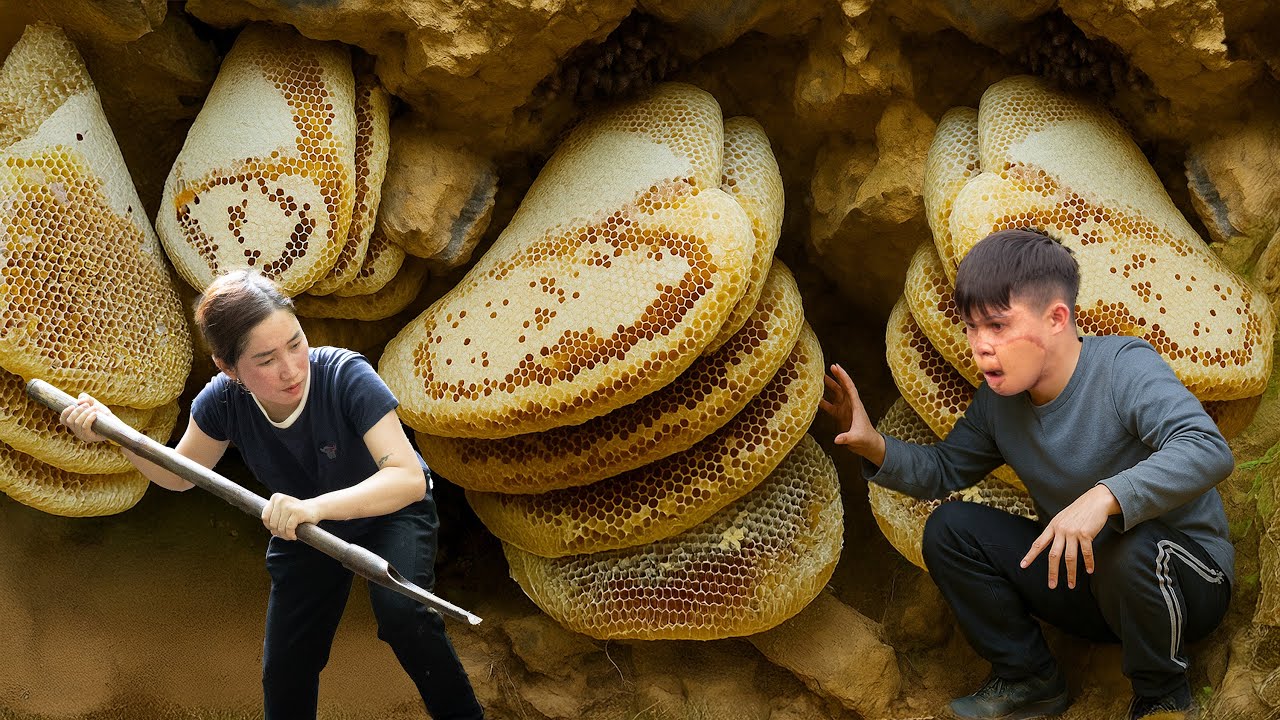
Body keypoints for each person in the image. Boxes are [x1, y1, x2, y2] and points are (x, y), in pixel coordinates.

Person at [821, 229, 1233, 720]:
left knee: (1127, 546)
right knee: (950, 530)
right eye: (972, 328)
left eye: (997, 326)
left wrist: (1105, 497)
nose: (980, 347)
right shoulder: (999, 403)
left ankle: (1162, 694)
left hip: (1184, 586)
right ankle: (1031, 680)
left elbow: (1208, 449)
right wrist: (873, 444)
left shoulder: (1124, 368)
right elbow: (944, 469)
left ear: (1057, 317)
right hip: (1093, 592)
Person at [62, 269, 485, 720]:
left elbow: (406, 479)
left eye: (296, 343)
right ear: (228, 368)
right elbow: (178, 475)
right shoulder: (223, 402)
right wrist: (115, 434)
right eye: (265, 360)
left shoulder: (346, 375)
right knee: (287, 661)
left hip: (387, 511)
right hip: (301, 526)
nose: (290, 369)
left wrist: (314, 507)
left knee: (404, 614)